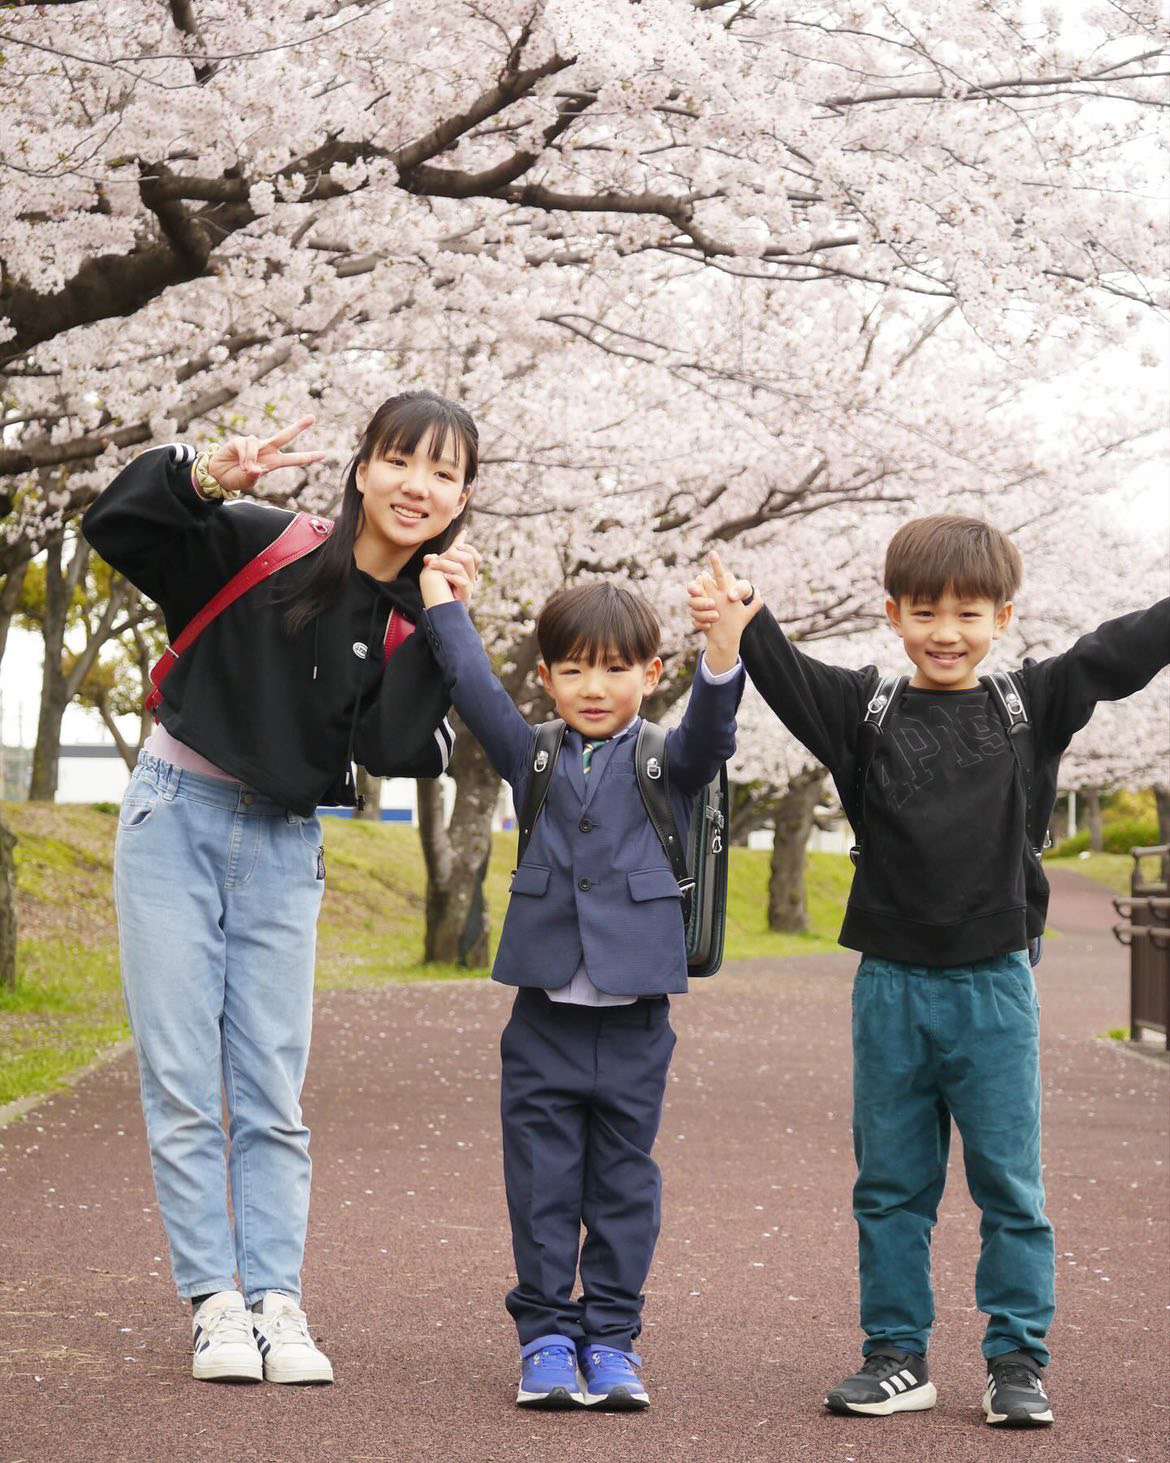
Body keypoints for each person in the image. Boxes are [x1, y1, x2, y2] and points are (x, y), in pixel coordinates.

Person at [689, 520, 1170, 1429]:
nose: (946, 629)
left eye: (968, 612)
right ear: (893, 614)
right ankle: (896, 1355)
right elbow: (780, 670)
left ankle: (1017, 1360)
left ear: (1003, 617)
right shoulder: (863, 711)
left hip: (995, 986)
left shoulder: (1032, 703)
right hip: (890, 989)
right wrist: (740, 616)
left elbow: (1123, 650)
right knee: (890, 1186)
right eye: (925, 611)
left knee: (1010, 1187)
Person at [82, 390, 477, 1385]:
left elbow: (394, 744)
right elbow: (115, 526)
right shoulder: (263, 539)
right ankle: (215, 1304)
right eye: (400, 459)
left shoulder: (415, 621)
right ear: (361, 467)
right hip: (175, 812)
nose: (417, 484)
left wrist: (444, 625)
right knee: (180, 1080)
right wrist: (206, 477)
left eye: (445, 472)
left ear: (464, 497)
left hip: (282, 846)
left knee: (271, 1090)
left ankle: (277, 1301)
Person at [417, 548, 757, 1409]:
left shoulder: (665, 764)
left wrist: (723, 652)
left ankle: (611, 1339)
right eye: (573, 670)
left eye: (614, 669)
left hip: (635, 1022)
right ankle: (543, 1338)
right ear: (547, 677)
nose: (593, 686)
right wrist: (443, 604)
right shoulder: (530, 757)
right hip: (542, 1022)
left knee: (622, 1187)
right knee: (539, 1186)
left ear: (651, 673)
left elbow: (712, 737)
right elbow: (472, 691)